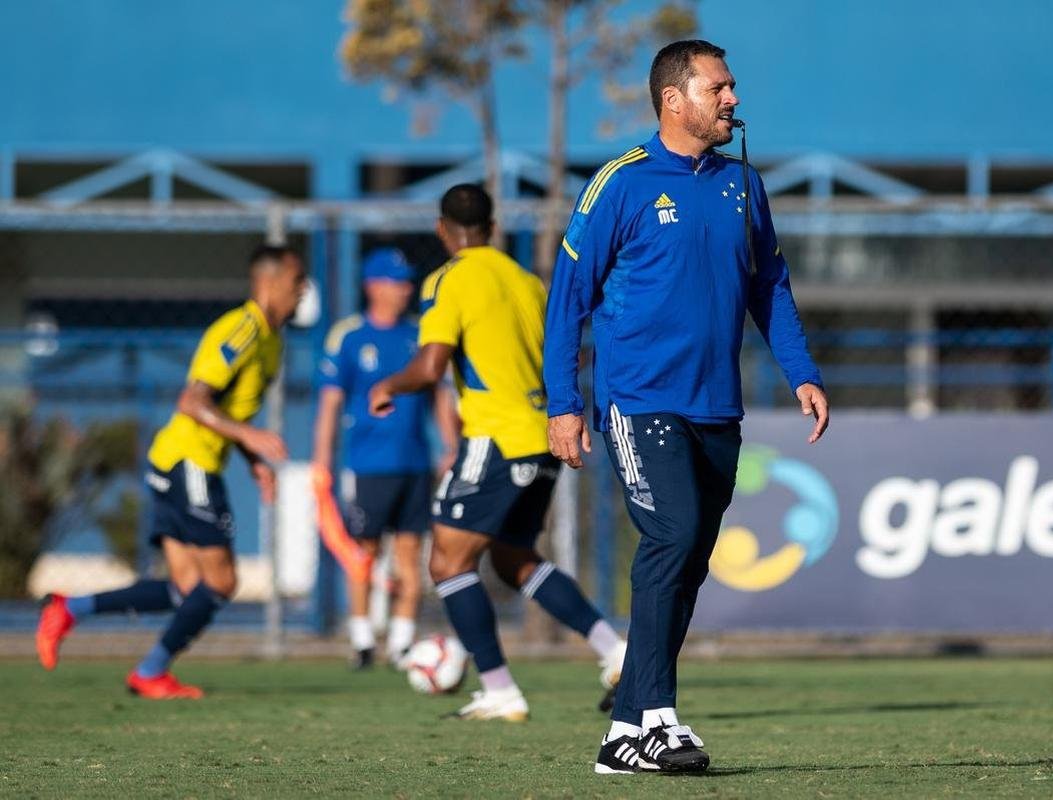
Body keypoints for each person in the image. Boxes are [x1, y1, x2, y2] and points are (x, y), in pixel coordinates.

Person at [543, 40, 830, 774]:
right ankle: (662, 719)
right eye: (718, 87)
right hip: (639, 402)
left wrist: (799, 371)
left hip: (715, 408)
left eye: (732, 86)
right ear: (674, 99)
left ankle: (624, 734)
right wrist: (564, 403)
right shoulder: (621, 183)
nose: (732, 98)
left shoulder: (743, 185)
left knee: (686, 561)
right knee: (671, 535)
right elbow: (567, 299)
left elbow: (769, 285)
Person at [368, 183, 626, 721]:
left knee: (447, 561)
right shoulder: (528, 282)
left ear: (443, 230)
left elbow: (431, 364)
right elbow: (567, 353)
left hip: (495, 438)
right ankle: (614, 649)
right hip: (544, 438)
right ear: (492, 228)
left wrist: (387, 386)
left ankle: (499, 688)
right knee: (513, 558)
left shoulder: (448, 279)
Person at [36, 245, 308, 698]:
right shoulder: (241, 331)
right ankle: (149, 669)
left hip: (178, 461)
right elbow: (193, 401)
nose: (303, 289)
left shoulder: (272, 340)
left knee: (187, 588)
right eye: (297, 279)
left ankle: (71, 609)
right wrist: (253, 437)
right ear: (271, 280)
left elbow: (226, 408)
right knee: (221, 582)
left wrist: (252, 459)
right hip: (190, 462)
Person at [312, 246, 459, 670]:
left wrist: (450, 445)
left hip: (414, 463)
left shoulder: (418, 334)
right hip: (368, 466)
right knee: (365, 553)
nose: (405, 290)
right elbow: (329, 406)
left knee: (412, 557)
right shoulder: (349, 337)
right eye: (397, 282)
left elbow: (438, 396)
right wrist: (321, 463)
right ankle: (361, 638)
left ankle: (400, 643)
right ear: (373, 286)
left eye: (407, 282)